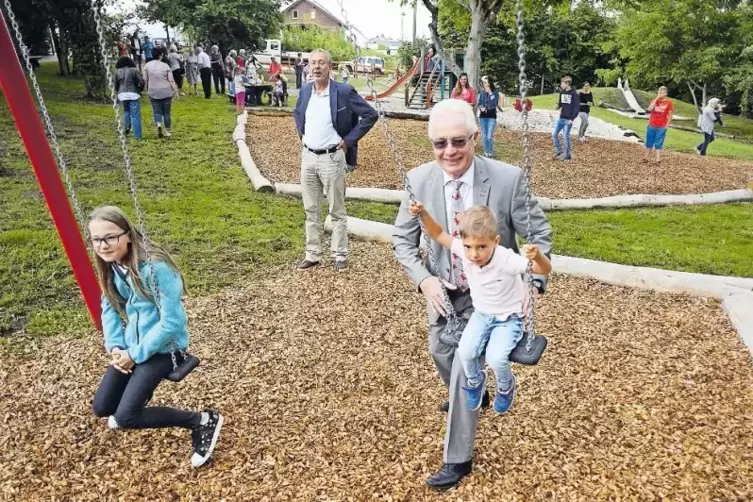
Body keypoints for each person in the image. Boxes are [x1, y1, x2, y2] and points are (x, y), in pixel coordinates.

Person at [391, 98, 553, 490]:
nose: (449, 152)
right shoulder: (419, 180)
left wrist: (533, 282)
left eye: (459, 141)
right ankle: (471, 394)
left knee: (466, 366)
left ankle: (457, 456)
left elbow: (540, 235)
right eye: (440, 143)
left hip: (494, 294)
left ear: (476, 138)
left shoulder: (507, 179)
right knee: (439, 351)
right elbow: (403, 238)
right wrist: (423, 279)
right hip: (444, 287)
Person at [88, 205, 223, 468]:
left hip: (164, 349)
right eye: (96, 239)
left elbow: (172, 322)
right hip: (131, 347)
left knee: (127, 417)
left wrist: (134, 355)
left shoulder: (155, 269)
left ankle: (202, 421)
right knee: (103, 408)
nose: (103, 245)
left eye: (110, 237)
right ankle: (138, 392)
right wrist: (116, 346)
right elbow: (110, 308)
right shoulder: (112, 267)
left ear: (128, 235)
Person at [408, 202, 551, 414]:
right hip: (482, 315)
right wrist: (424, 213)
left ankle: (505, 386)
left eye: (482, 247)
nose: (474, 254)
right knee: (466, 351)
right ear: (463, 242)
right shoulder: (463, 249)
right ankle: (476, 381)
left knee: (495, 358)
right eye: (468, 247)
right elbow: (437, 234)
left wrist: (537, 257)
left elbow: (544, 268)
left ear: (496, 241)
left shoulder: (507, 259)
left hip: (508, 318)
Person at [292, 49, 378, 271]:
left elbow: (370, 115)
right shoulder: (304, 91)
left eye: (321, 63)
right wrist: (303, 136)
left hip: (332, 158)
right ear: (309, 67)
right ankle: (312, 254)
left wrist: (348, 140)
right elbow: (297, 113)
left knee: (336, 210)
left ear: (330, 67)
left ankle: (340, 254)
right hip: (308, 157)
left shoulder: (343, 91)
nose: (317, 67)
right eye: (313, 63)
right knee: (311, 209)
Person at [143, 47, 178, 138]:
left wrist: (146, 90)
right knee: (166, 112)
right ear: (160, 55)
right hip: (166, 91)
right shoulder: (165, 66)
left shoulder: (147, 66)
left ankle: (158, 124)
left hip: (153, 91)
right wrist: (175, 90)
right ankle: (168, 131)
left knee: (156, 111)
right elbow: (171, 80)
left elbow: (145, 79)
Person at [114, 56, 144, 140]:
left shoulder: (117, 71)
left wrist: (118, 91)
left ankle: (127, 127)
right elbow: (141, 81)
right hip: (133, 93)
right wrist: (140, 89)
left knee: (126, 111)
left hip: (122, 94)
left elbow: (116, 84)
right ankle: (137, 135)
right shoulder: (134, 70)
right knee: (135, 115)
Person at [643, 86, 673, 163]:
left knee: (658, 142)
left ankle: (658, 159)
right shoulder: (654, 101)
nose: (661, 94)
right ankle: (646, 157)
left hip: (661, 126)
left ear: (666, 93)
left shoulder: (669, 102)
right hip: (652, 125)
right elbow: (649, 109)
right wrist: (656, 98)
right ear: (658, 93)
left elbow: (670, 115)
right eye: (660, 92)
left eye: (663, 93)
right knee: (649, 141)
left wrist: (667, 125)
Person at [552, 75, 580, 161]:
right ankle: (560, 151)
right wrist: (557, 106)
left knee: (565, 137)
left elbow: (576, 107)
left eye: (562, 83)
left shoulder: (574, 94)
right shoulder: (562, 92)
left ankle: (568, 156)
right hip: (561, 118)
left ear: (567, 83)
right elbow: (560, 103)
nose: (561, 85)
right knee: (554, 135)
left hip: (568, 120)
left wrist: (572, 119)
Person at [477, 76, 504, 158]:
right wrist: (481, 107)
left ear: (489, 83)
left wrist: (490, 93)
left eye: (485, 82)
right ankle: (486, 153)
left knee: (489, 136)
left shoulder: (495, 92)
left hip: (491, 117)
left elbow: (495, 102)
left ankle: (490, 152)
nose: (483, 84)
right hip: (482, 117)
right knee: (484, 136)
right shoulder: (482, 93)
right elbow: (479, 103)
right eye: (483, 83)